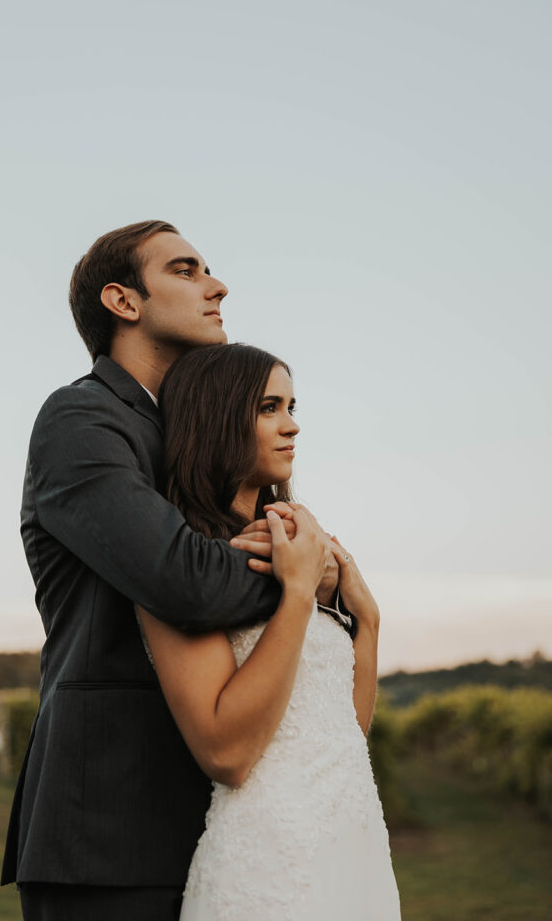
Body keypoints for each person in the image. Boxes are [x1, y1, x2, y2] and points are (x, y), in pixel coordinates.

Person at [1, 220, 340, 920]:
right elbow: (182, 578)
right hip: (110, 829)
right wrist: (300, 574)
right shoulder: (81, 421)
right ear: (123, 302)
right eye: (185, 270)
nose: (216, 286)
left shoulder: (198, 441)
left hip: (228, 829)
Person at [137, 342, 402, 921]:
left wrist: (369, 621)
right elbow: (228, 755)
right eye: (269, 408)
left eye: (291, 405)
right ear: (218, 417)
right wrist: (300, 593)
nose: (293, 425)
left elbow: (343, 734)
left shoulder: (301, 548)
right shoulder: (183, 565)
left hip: (353, 847)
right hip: (269, 859)